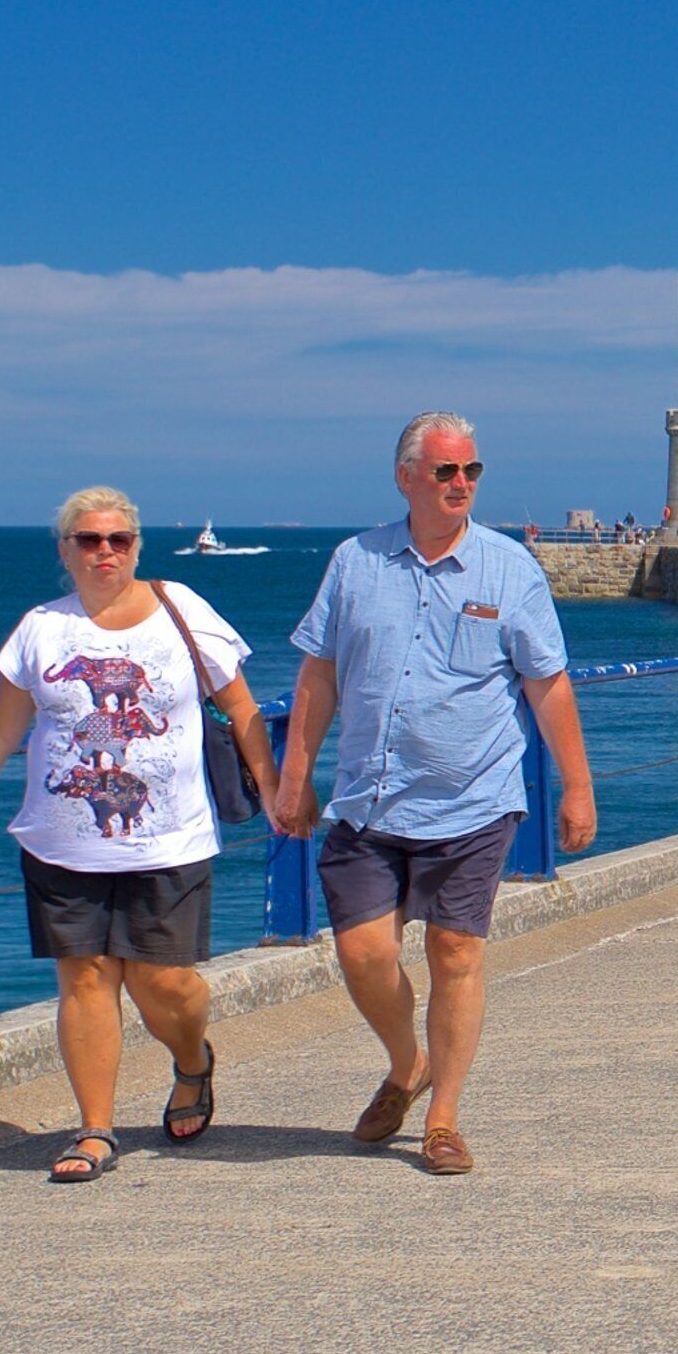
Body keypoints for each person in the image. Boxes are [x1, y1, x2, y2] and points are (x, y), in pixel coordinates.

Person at [0, 487, 275, 1183]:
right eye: (88, 540)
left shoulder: (183, 611)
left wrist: (282, 787)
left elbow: (238, 703)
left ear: (137, 547)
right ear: (66, 550)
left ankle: (193, 1061)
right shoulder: (41, 629)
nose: (104, 551)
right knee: (84, 978)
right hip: (62, 841)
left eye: (118, 540)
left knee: (162, 983)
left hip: (168, 839)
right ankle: (95, 1129)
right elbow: (0, 728)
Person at [272, 412, 595, 1176]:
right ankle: (406, 1062)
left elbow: (546, 684)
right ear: (407, 476)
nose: (461, 484)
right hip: (369, 798)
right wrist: (295, 774)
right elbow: (319, 673)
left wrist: (577, 786)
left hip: (474, 797)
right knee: (363, 954)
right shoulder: (355, 562)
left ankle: (443, 1118)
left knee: (455, 951)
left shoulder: (510, 569)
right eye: (446, 471)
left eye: (471, 472)